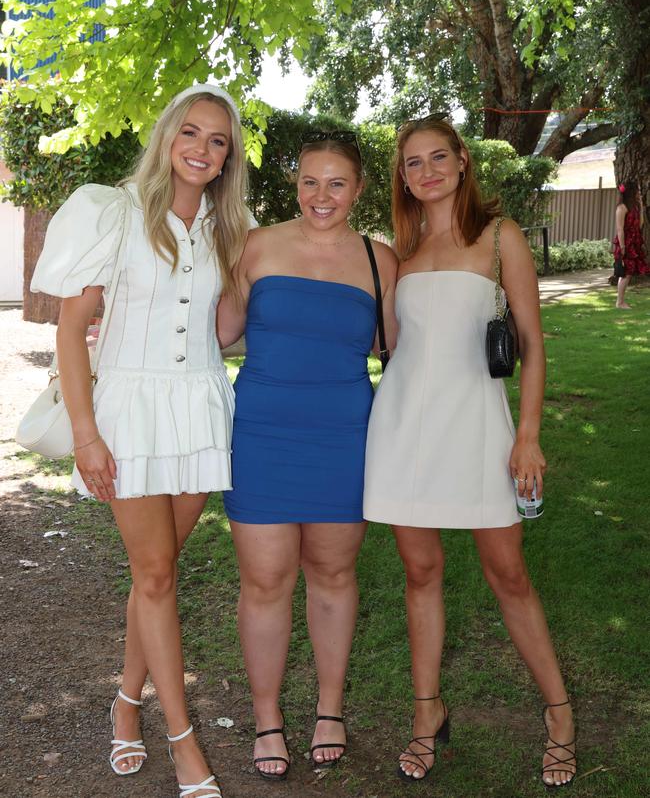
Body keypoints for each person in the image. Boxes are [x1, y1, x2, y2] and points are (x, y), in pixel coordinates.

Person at [30, 84, 253, 798]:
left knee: (156, 576)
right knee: (156, 576)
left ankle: (126, 704)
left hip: (199, 408)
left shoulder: (228, 225)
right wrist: (88, 434)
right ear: (166, 137)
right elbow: (70, 329)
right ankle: (184, 742)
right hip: (127, 409)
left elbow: (220, 332)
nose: (202, 149)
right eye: (191, 132)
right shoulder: (114, 212)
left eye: (217, 141)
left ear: (227, 158)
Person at [363, 116, 576, 789]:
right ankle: (427, 716)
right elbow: (390, 344)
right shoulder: (399, 248)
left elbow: (534, 344)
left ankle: (560, 714)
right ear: (402, 176)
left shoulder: (500, 237)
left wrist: (529, 434)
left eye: (436, 158)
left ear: (461, 161)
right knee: (419, 573)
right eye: (411, 163)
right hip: (402, 426)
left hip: (480, 427)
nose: (425, 172)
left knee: (508, 573)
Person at [216, 131, 397, 781]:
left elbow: (398, 352)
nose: (321, 196)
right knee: (264, 581)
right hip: (262, 434)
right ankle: (267, 718)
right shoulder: (258, 246)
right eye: (310, 182)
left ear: (359, 188)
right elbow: (222, 332)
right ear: (296, 184)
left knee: (332, 575)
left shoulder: (381, 261)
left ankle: (329, 708)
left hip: (344, 437)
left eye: (337, 183)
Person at [613, 180, 648, 308]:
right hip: (626, 244)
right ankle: (620, 302)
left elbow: (640, 224)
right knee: (626, 273)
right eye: (637, 190)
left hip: (634, 242)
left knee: (628, 273)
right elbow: (620, 229)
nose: (639, 193)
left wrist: (641, 208)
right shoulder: (621, 208)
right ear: (631, 192)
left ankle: (620, 301)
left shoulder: (635, 207)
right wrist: (622, 247)